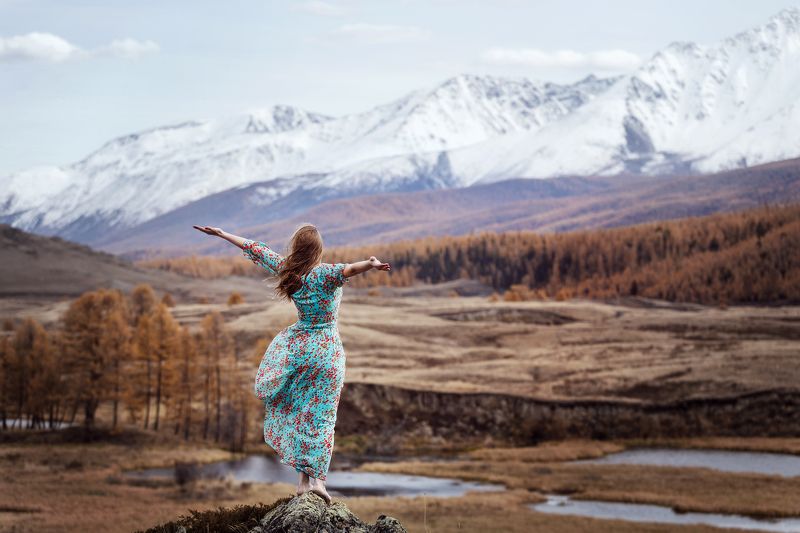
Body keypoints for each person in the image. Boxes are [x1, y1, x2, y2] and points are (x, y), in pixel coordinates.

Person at [192, 223, 390, 504]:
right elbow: (352, 269)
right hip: (326, 354)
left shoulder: (289, 270)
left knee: (300, 412)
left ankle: (302, 482)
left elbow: (255, 249)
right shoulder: (326, 273)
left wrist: (223, 234)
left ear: (297, 247)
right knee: (321, 417)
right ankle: (318, 482)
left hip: (300, 350)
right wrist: (371, 263)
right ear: (318, 250)